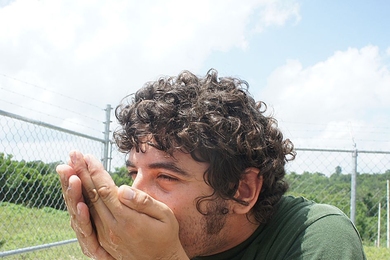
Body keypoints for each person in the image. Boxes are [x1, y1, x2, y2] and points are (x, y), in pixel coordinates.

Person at [57, 69, 366, 259]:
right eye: (134, 173)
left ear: (242, 190)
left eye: (165, 177)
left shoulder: (316, 237)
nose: (131, 194)